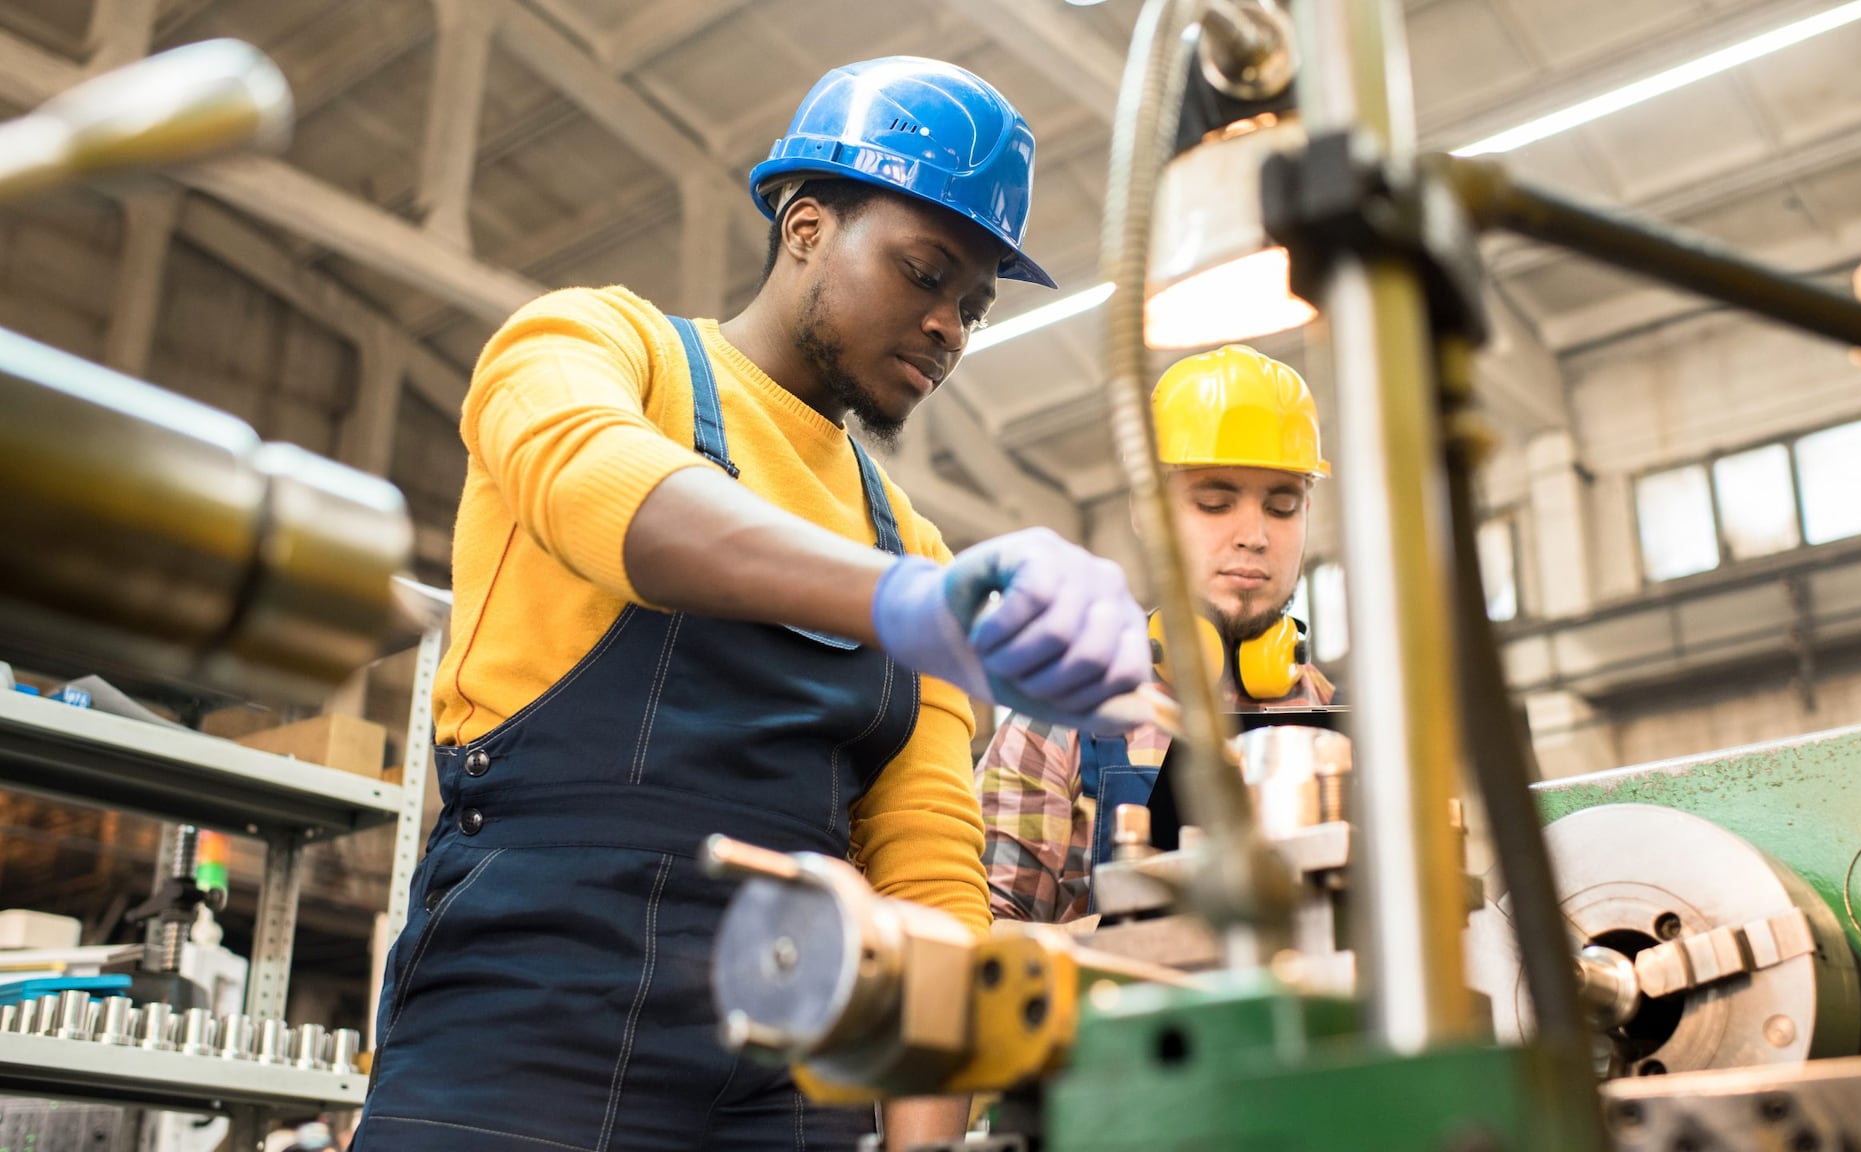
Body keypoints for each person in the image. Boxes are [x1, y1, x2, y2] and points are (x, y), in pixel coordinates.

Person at [356, 57, 1151, 1152]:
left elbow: (925, 877)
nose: (948, 329)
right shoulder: (599, 348)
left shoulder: (907, 535)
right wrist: (907, 605)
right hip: (526, 1035)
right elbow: (604, 488)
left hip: (792, 1078)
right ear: (807, 225)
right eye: (923, 273)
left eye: (970, 305)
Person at [977, 345, 1337, 924]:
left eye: (1282, 505)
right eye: (1216, 503)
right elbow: (985, 945)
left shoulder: (1332, 722)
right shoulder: (1059, 717)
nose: (1254, 535)